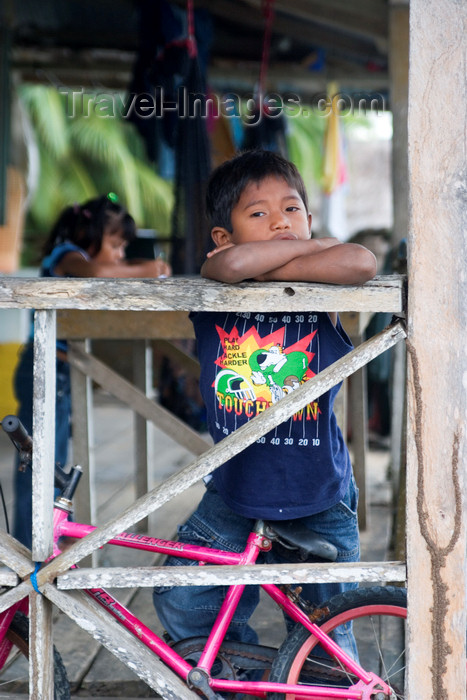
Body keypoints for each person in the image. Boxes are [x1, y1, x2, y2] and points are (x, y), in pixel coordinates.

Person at [152, 150, 376, 657]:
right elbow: (230, 267)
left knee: (329, 639)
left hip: (319, 493)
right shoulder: (221, 278)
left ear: (311, 220)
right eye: (259, 214)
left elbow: (361, 260)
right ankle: (242, 680)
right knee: (187, 602)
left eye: (292, 210)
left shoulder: (322, 285)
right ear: (222, 237)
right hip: (235, 490)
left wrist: (289, 258)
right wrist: (295, 257)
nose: (280, 221)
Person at [13, 194, 171, 548]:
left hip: (60, 375)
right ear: (90, 233)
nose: (119, 256)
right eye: (116, 245)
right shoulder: (68, 256)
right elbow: (100, 272)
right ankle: (30, 545)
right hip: (44, 371)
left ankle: (50, 536)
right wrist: (149, 269)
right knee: (38, 464)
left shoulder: (75, 256)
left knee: (52, 463)